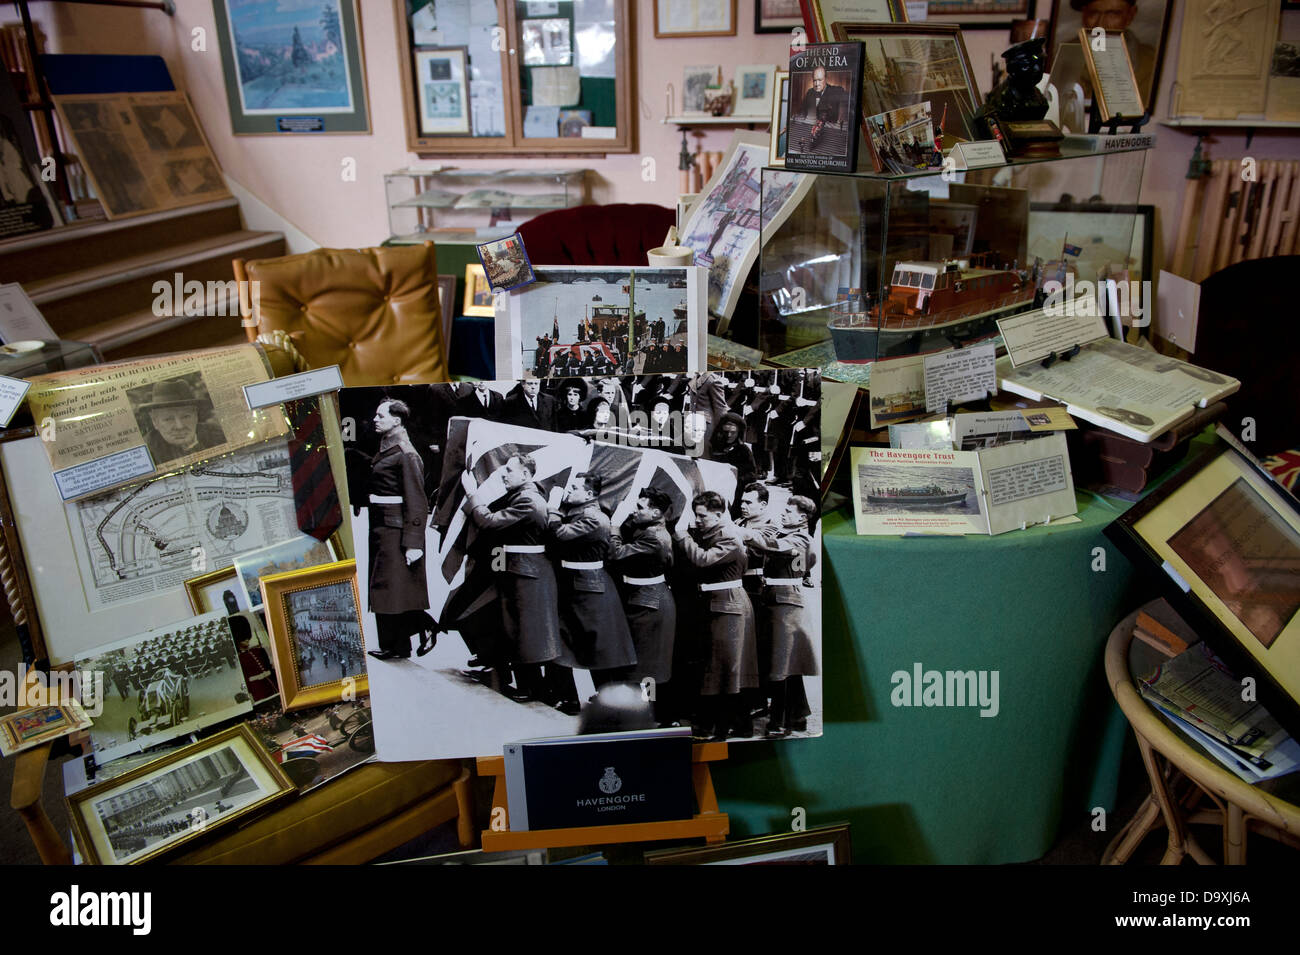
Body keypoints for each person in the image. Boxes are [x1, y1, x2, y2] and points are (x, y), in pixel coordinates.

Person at [466, 453, 565, 703]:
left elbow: (488, 522)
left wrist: (472, 495)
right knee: (514, 627)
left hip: (526, 572)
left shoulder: (528, 501)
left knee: (523, 630)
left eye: (509, 470)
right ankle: (521, 681)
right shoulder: (524, 497)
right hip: (519, 569)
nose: (503, 474)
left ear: (525, 474)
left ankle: (532, 688)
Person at [673, 491, 758, 740]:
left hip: (729, 607)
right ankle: (730, 724)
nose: (697, 520)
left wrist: (682, 535)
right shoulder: (717, 531)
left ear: (719, 514)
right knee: (720, 667)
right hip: (720, 604)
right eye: (696, 515)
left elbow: (703, 559)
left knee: (725, 669)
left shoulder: (729, 536)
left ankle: (720, 727)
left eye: (702, 516)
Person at [547, 473, 636, 692]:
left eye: (574, 488)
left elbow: (560, 533)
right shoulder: (581, 512)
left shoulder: (594, 518)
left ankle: (602, 697)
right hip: (578, 584)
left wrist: (553, 507)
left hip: (588, 588)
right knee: (567, 640)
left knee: (597, 647)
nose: (569, 491)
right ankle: (567, 696)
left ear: (588, 494)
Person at [364, 399, 437, 661]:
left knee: (389, 586)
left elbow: (417, 501)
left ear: (396, 420)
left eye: (380, 415)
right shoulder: (389, 446)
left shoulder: (406, 453)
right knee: (389, 587)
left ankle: (421, 626)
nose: (375, 419)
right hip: (383, 524)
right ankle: (398, 645)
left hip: (394, 528)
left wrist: (414, 542)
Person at [751, 495, 819, 738]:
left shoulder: (800, 539)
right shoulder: (789, 535)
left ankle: (779, 722)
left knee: (781, 664)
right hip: (778, 600)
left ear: (802, 517)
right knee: (788, 662)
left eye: (789, 511)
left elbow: (776, 548)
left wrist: (747, 534)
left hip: (786, 603)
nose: (783, 514)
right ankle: (798, 715)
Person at [138, 378, 226, 465]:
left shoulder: (218, 434)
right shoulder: (146, 452)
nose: (179, 426)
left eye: (186, 416)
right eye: (168, 419)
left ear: (196, 416)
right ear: (155, 422)